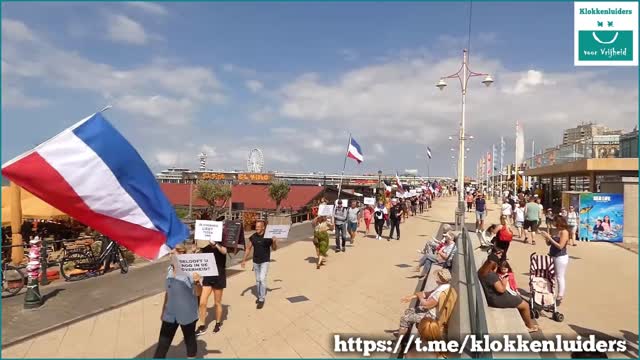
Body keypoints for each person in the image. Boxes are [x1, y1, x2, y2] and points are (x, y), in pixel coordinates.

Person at [154, 244, 200, 358]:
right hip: (170, 313)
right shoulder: (170, 269)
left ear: (181, 253)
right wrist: (163, 309)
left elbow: (198, 292)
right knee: (163, 343)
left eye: (172, 253)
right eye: (169, 253)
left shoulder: (191, 270)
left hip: (187, 313)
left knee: (190, 341)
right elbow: (168, 291)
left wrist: (197, 282)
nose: (170, 256)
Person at [477, 258, 538, 333]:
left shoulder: (481, 272)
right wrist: (504, 281)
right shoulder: (491, 275)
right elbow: (501, 290)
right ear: (494, 267)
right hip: (497, 299)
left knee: (519, 299)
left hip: (491, 297)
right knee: (525, 305)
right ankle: (530, 326)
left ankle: (527, 323)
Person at [395, 269, 452, 337]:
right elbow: (429, 293)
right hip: (430, 311)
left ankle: (398, 343)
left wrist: (419, 296)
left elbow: (426, 305)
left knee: (404, 319)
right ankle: (405, 333)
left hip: (432, 316)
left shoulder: (441, 292)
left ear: (441, 279)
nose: (436, 278)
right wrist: (412, 296)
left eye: (438, 276)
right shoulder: (444, 286)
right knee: (408, 311)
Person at [241, 220, 277, 309]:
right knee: (257, 280)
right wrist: (243, 260)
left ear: (263, 227)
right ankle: (260, 295)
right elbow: (248, 248)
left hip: (265, 261)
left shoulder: (268, 237)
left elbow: (274, 248)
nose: (256, 228)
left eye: (258, 226)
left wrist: (274, 241)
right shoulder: (253, 237)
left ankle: (261, 299)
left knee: (262, 279)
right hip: (256, 261)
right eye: (256, 226)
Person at [196, 241, 227, 335]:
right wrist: (194, 250)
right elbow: (197, 256)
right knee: (202, 302)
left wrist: (215, 244)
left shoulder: (222, 243)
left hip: (219, 275)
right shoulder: (205, 246)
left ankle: (218, 323)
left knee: (217, 302)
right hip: (208, 276)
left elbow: (224, 251)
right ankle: (202, 325)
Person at [540, 216, 569, 306]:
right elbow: (549, 244)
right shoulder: (556, 230)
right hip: (552, 255)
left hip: (560, 257)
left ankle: (560, 296)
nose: (553, 224)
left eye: (554, 222)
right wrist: (546, 238)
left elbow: (560, 246)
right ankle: (550, 293)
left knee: (559, 276)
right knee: (550, 275)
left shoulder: (564, 232)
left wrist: (550, 238)